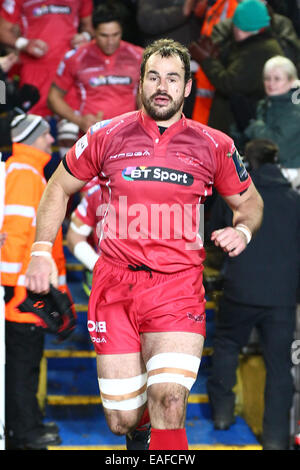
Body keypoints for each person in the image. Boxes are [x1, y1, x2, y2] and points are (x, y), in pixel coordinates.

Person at [24, 38, 263, 451]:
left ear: (188, 87)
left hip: (177, 286)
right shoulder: (105, 135)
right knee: (122, 420)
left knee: (171, 398)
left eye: (173, 78)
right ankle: (142, 429)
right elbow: (58, 186)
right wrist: (41, 250)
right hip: (115, 286)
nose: (162, 86)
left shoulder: (216, 145)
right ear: (140, 82)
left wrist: (242, 230)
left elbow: (249, 202)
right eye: (153, 76)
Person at [206, 139, 300, 450]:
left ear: (250, 163)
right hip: (282, 299)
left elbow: (215, 237)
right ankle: (274, 440)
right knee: (279, 368)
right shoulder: (295, 200)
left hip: (240, 290)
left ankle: (221, 414)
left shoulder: (237, 198)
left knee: (226, 347)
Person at [1, 113, 70, 450]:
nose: (50, 141)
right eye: (46, 135)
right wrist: (16, 286)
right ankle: (23, 433)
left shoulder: (27, 172)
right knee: (22, 367)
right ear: (33, 137)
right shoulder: (24, 174)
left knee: (26, 365)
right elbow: (14, 235)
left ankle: (28, 426)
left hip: (26, 290)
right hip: (23, 294)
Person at [48, 2, 144, 137]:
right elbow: (53, 98)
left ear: (122, 30)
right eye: (104, 35)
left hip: (128, 135)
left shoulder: (139, 56)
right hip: (91, 137)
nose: (110, 41)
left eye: (115, 34)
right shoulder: (76, 57)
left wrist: (143, 123)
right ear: (93, 31)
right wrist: (79, 120)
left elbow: (145, 96)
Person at [189, 0, 284, 135]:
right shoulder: (252, 44)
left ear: (247, 28)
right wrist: (219, 57)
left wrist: (207, 61)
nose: (234, 30)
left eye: (238, 27)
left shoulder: (259, 51)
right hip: (238, 121)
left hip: (240, 126)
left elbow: (229, 84)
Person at [0, 0, 94, 117]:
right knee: (34, 126)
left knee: (71, 125)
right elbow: (2, 30)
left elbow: (90, 27)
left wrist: (85, 36)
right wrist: (24, 44)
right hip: (35, 70)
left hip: (68, 70)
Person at [244, 56, 300, 192]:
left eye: (277, 79)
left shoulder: (296, 109)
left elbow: (277, 147)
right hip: (266, 172)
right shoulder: (264, 104)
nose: (271, 83)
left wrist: (253, 126)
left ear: (292, 80)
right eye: (267, 78)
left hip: (292, 177)